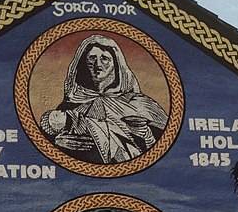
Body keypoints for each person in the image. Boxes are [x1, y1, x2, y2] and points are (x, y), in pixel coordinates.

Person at [39, 34, 168, 163]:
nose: (98, 65)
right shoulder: (74, 102)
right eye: (92, 58)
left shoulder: (138, 103)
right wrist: (57, 142)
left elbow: (164, 146)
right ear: (83, 62)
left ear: (116, 64)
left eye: (105, 58)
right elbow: (45, 139)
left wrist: (147, 135)